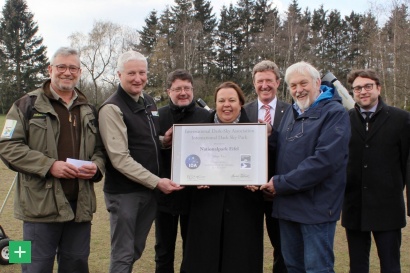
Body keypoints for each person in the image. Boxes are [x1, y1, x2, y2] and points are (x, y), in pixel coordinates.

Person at [0, 47, 105, 273]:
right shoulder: (25, 105)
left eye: (73, 68)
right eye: (61, 67)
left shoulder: (89, 109)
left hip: (80, 206)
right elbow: (7, 146)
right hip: (38, 206)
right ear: (50, 69)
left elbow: (100, 150)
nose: (67, 72)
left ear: (80, 72)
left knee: (76, 265)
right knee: (33, 267)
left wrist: (96, 168)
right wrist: (49, 166)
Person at [260, 61, 350, 272]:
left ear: (317, 82)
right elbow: (284, 147)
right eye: (293, 86)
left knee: (317, 268)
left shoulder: (334, 113)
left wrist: (281, 183)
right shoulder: (293, 112)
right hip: (288, 207)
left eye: (303, 83)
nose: (298, 90)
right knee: (293, 267)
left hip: (315, 209)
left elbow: (324, 161)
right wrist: (258, 137)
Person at [98, 50, 183, 273]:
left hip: (148, 191)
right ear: (119, 74)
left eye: (142, 72)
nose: (138, 78)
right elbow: (120, 158)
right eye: (131, 73)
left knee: (135, 249)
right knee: (123, 253)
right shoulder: (112, 108)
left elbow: (146, 141)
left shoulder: (147, 101)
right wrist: (157, 181)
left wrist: (165, 140)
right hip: (125, 193)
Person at [181, 81, 265, 273]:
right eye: (221, 100)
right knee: (204, 261)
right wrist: (194, 180)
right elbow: (188, 166)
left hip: (243, 209)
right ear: (216, 103)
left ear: (240, 104)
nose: (226, 104)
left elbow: (265, 166)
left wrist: (258, 182)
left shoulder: (256, 132)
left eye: (232, 100)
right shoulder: (198, 132)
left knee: (240, 261)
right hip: (206, 208)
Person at [342, 69, 410, 273]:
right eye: (357, 88)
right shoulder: (345, 120)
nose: (363, 91)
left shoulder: (401, 119)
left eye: (368, 86)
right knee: (358, 265)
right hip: (354, 206)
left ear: (378, 88)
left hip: (388, 207)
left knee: (390, 265)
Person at [155, 69, 210, 273]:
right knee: (163, 251)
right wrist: (164, 143)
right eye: (178, 89)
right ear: (168, 91)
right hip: (165, 194)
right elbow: (149, 151)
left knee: (193, 251)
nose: (183, 93)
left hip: (196, 196)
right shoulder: (158, 116)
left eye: (187, 88)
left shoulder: (206, 116)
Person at [244, 60, 289, 273]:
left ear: (278, 82)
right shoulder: (243, 111)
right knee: (248, 246)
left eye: (269, 80)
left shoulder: (292, 112)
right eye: (260, 81)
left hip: (279, 192)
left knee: (282, 247)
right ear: (254, 84)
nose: (264, 85)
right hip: (248, 192)